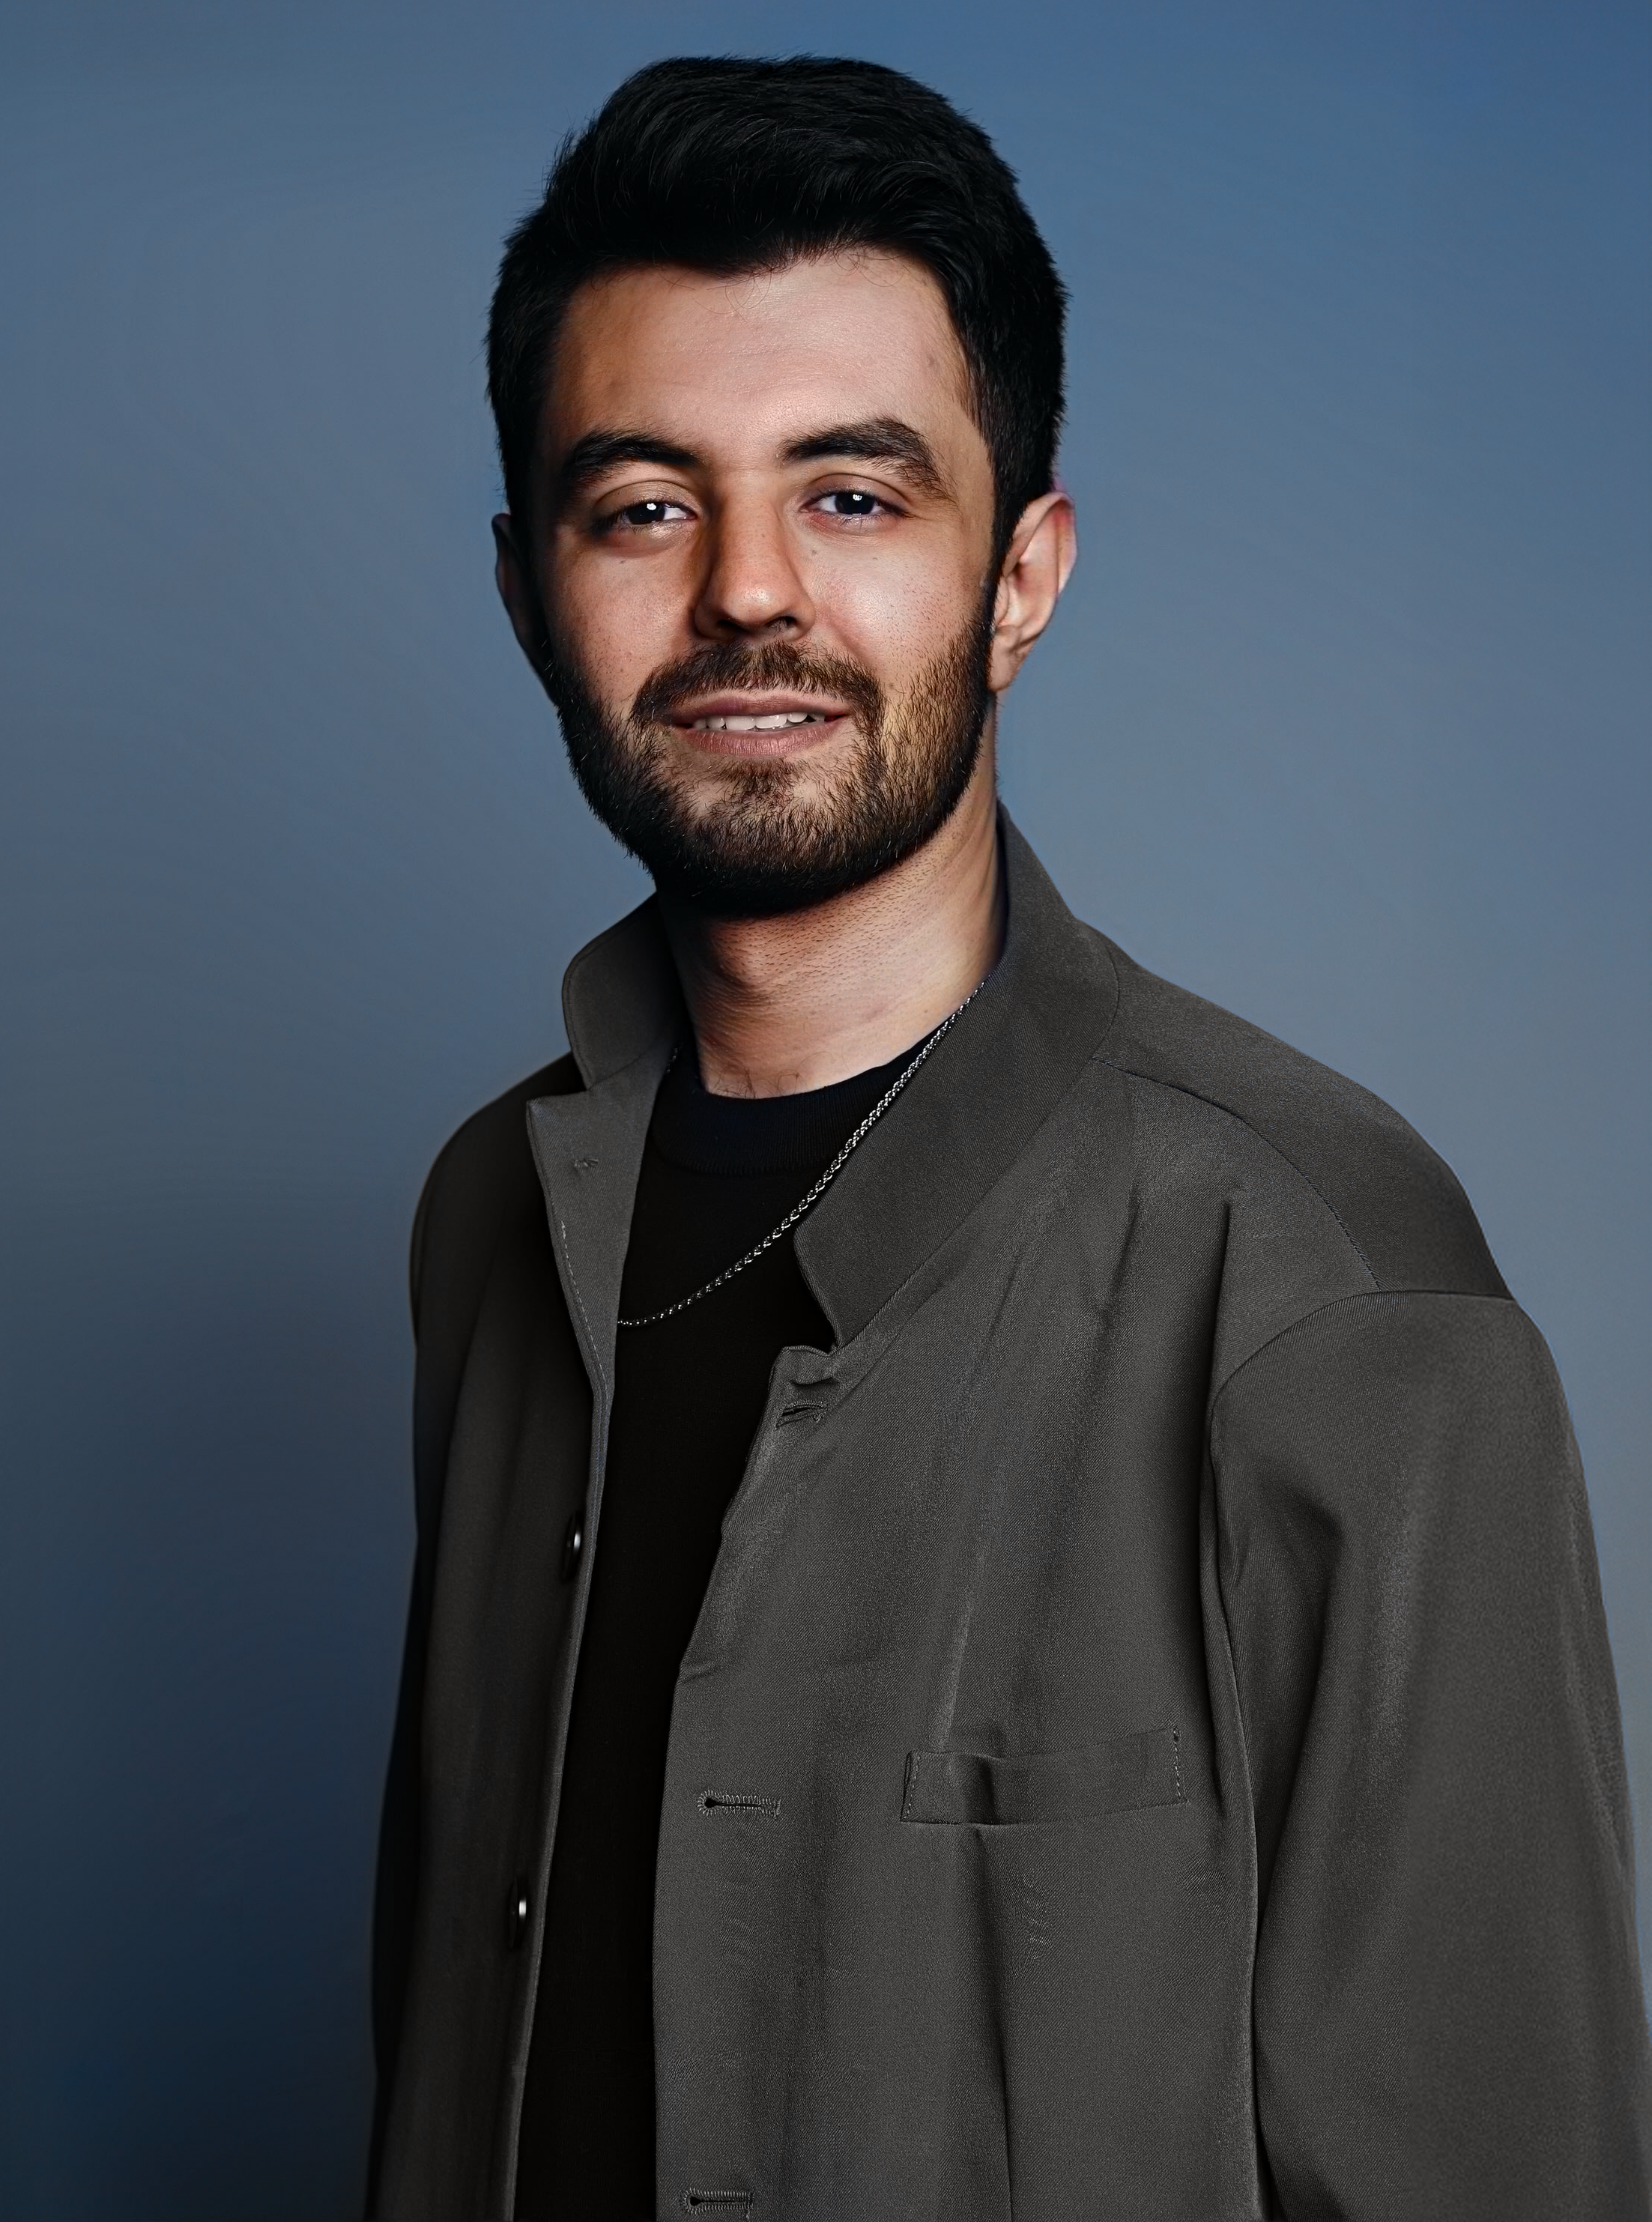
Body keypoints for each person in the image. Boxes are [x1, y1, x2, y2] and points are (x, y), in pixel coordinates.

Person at [366, 55, 1651, 2222]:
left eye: (854, 494)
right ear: (526, 591)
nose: (748, 592)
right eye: (644, 503)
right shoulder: (492, 1217)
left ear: (1023, 572)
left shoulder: (1328, 1277)